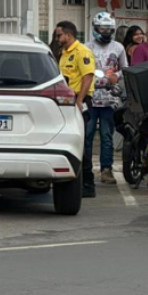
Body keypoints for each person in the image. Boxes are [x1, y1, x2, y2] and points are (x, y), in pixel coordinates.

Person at [87, 12, 129, 190]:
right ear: (96, 28)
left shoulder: (118, 47)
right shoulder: (86, 47)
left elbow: (125, 68)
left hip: (109, 98)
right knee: (87, 136)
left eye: (109, 29)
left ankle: (106, 169)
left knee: (106, 136)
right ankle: (85, 168)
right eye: (103, 28)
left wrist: (116, 76)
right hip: (90, 98)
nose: (106, 31)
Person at [55, 21, 96, 198]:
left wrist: (79, 100)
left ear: (68, 35)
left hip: (80, 101)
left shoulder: (82, 52)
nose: (57, 38)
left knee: (83, 143)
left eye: (59, 35)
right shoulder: (64, 53)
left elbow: (88, 77)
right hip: (66, 102)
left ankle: (88, 184)